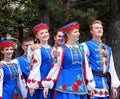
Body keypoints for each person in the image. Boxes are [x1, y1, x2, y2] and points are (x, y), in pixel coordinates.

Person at [42, 22, 95, 99]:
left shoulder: (82, 49)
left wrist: (91, 86)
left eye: (78, 31)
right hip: (64, 85)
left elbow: (87, 67)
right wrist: (47, 85)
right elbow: (55, 66)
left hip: (80, 85)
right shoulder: (61, 49)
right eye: (75, 32)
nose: (78, 33)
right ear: (68, 34)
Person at [82, 20, 120, 99]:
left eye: (101, 28)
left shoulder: (108, 49)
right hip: (92, 83)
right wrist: (89, 85)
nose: (99, 29)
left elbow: (111, 68)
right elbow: (84, 65)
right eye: (97, 28)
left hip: (105, 85)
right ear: (91, 31)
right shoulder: (85, 45)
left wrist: (114, 86)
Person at [27, 23, 54, 99]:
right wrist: (32, 84)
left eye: (46, 32)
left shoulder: (53, 49)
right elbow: (34, 66)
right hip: (40, 80)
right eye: (41, 33)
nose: (45, 34)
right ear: (37, 36)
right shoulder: (37, 49)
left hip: (51, 81)